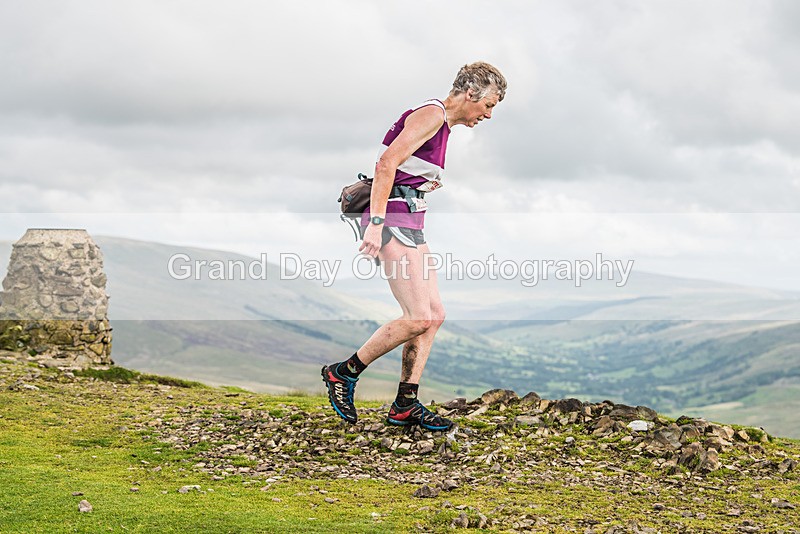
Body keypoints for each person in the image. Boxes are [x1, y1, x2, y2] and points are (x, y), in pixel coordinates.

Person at [322, 62, 507, 431]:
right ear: (471, 94)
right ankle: (342, 373)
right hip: (390, 221)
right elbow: (387, 163)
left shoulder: (441, 123)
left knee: (434, 314)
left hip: (409, 219)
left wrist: (423, 183)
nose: (487, 115)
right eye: (488, 106)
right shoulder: (433, 115)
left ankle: (405, 403)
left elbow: (402, 165)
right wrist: (375, 225)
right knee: (417, 315)